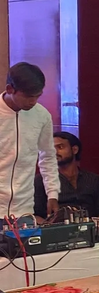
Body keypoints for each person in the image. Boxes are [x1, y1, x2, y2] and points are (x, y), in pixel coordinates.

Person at [0, 62, 59, 223]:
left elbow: (48, 156)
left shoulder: (42, 115)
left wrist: (52, 193)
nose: (33, 101)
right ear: (10, 89)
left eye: (37, 96)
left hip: (23, 210)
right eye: (28, 96)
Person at [33, 131, 99, 220]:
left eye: (60, 147)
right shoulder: (41, 180)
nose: (54, 152)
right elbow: (35, 216)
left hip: (91, 229)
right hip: (57, 230)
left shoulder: (94, 180)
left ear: (74, 150)